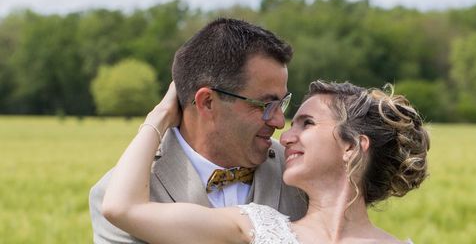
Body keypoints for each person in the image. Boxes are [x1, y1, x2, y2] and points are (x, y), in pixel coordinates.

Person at [102, 79, 429, 243]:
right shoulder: (255, 226)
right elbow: (121, 208)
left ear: (352, 147)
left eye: (307, 123)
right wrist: (160, 117)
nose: (284, 136)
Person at [90, 18, 308, 244]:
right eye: (265, 105)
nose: (280, 121)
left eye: (282, 103)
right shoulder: (118, 194)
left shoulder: (303, 169)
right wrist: (159, 117)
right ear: (207, 102)